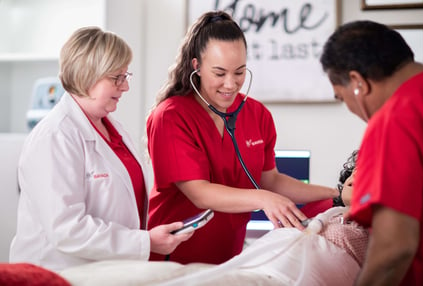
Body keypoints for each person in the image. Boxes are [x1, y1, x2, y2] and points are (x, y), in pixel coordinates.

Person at [146, 10, 338, 264]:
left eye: (239, 72)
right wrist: (263, 198)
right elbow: (200, 193)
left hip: (228, 258)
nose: (230, 84)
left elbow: (269, 181)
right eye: (219, 73)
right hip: (172, 258)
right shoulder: (171, 116)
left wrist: (335, 193)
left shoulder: (258, 115)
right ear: (197, 67)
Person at [9, 26, 192, 272]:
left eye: (126, 76)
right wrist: (145, 242)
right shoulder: (55, 137)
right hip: (58, 274)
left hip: (106, 271)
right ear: (88, 75)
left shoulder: (112, 128)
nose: (125, 87)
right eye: (117, 77)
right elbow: (67, 230)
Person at [60, 151, 368, 286]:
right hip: (249, 269)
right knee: (143, 278)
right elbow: (200, 192)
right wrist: (339, 196)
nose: (356, 178)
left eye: (369, 175)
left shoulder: (384, 228)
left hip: (278, 281)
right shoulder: (327, 208)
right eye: (354, 175)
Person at [320, 20, 423, 286]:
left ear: (358, 83)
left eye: (342, 97)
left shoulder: (394, 119)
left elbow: (394, 248)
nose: (350, 108)